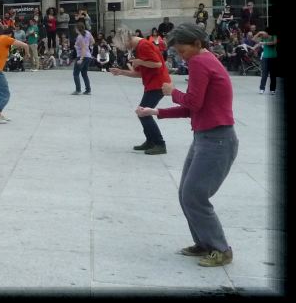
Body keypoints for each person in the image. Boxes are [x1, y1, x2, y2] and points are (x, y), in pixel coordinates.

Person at [136, 23, 237, 267]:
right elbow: (194, 108)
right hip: (206, 137)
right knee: (187, 194)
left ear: (197, 44)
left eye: (183, 51)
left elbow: (192, 102)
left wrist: (172, 92)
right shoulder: (205, 59)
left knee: (194, 195)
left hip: (216, 139)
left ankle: (220, 249)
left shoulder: (200, 62)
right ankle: (204, 242)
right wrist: (156, 111)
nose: (181, 57)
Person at [110, 27, 171, 155]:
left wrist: (140, 61)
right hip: (153, 84)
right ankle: (150, 141)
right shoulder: (139, 47)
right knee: (142, 112)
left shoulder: (144, 45)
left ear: (126, 40)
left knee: (143, 113)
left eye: (123, 45)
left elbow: (158, 64)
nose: (124, 48)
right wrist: (121, 72)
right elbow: (139, 74)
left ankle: (160, 144)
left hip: (158, 84)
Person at [0, 25, 29, 124]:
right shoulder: (5, 39)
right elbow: (25, 45)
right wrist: (27, 55)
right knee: (5, 93)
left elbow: (5, 52)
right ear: (10, 34)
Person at [72, 22, 94, 95]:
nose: (75, 29)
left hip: (81, 56)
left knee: (76, 73)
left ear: (77, 29)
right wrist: (88, 46)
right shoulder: (88, 33)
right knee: (84, 74)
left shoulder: (79, 37)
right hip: (88, 56)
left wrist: (81, 59)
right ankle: (88, 90)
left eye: (75, 28)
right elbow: (92, 41)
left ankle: (78, 90)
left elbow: (83, 48)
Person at [253, 28, 277, 95]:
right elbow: (254, 39)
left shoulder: (273, 36)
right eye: (263, 34)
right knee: (264, 74)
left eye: (264, 33)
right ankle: (262, 88)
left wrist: (264, 43)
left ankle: (272, 89)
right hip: (265, 58)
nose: (263, 35)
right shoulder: (263, 38)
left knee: (272, 75)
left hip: (273, 57)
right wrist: (259, 33)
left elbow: (274, 42)